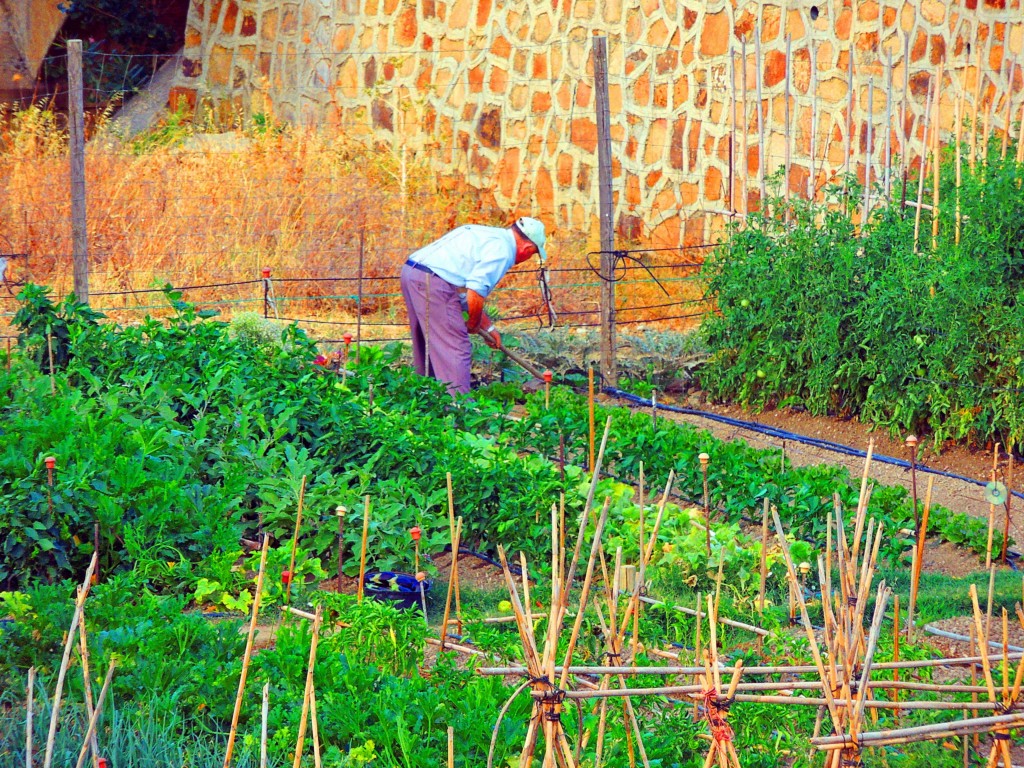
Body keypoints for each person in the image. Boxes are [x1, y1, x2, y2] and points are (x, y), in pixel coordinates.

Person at [399, 217, 548, 396]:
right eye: (532, 254)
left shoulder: (486, 234)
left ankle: (427, 402)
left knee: (427, 343)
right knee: (456, 348)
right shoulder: (503, 251)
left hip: (412, 273)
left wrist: (488, 327)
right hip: (434, 282)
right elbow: (475, 291)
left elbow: (462, 292)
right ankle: (459, 411)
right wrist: (473, 323)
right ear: (527, 249)